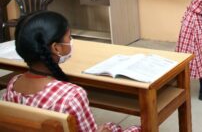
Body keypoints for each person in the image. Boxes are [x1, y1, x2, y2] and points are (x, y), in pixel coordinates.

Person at [1, 11, 140, 132]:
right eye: (69, 37)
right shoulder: (72, 96)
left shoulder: (13, 84)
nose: (71, 41)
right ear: (56, 48)